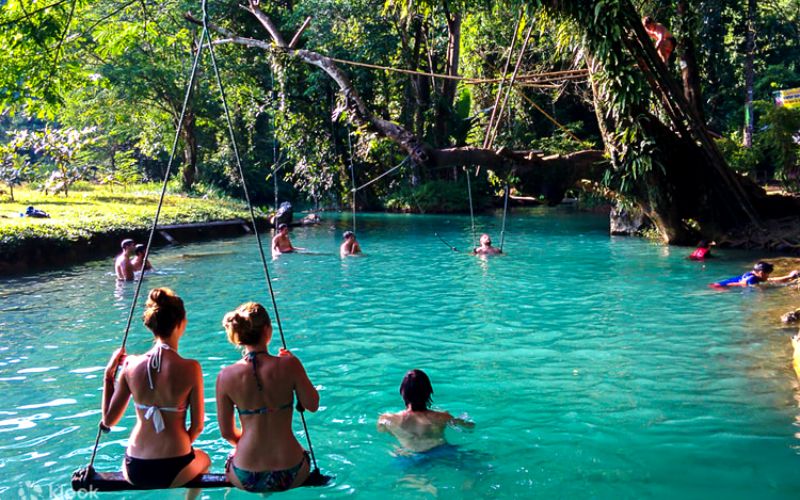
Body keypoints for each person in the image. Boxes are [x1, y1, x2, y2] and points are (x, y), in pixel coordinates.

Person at [101, 288, 209, 490]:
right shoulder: (190, 368)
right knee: (205, 460)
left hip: (136, 467)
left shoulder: (130, 365)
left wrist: (108, 376)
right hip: (175, 465)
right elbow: (198, 426)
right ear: (181, 323)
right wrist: (183, 444)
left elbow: (108, 421)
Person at [217, 302, 319, 493]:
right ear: (267, 330)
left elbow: (227, 433)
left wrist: (251, 442)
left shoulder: (226, 376)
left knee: (233, 458)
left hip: (246, 475)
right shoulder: (289, 365)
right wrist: (295, 365)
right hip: (292, 472)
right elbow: (312, 404)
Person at [377, 369, 473, 453]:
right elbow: (469, 426)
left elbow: (381, 431)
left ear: (403, 393)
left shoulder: (388, 418)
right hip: (440, 451)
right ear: (428, 392)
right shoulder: (442, 417)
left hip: (409, 455)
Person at [711, 261, 800, 288]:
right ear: (761, 273)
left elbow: (771, 280)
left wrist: (789, 277)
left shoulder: (753, 276)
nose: (768, 276)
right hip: (719, 287)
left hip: (716, 285)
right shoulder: (752, 279)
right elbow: (758, 290)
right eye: (768, 274)